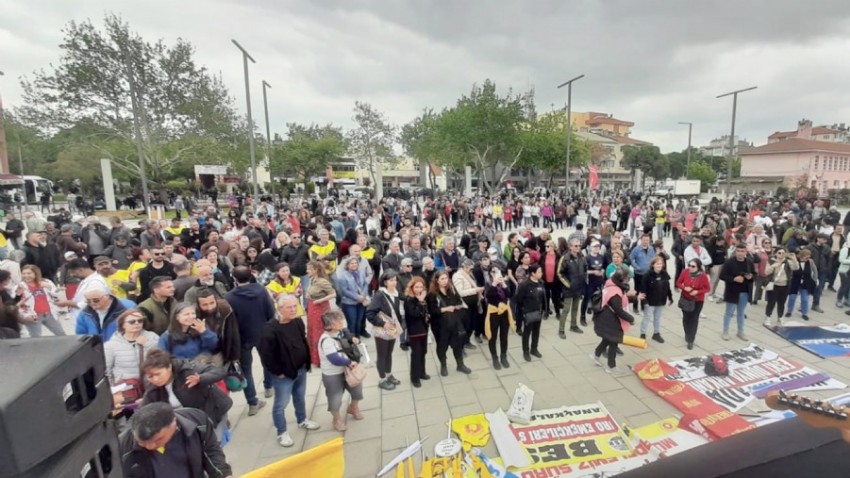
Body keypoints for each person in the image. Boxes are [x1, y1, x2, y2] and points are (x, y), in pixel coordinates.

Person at [258, 294, 321, 447]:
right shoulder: (270, 329)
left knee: (300, 397)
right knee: (281, 404)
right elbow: (266, 355)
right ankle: (282, 432)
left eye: (295, 306)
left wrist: (307, 362)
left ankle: (302, 420)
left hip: (301, 369)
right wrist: (277, 372)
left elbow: (302, 340)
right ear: (279, 309)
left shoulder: (298, 321)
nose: (293, 310)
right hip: (284, 375)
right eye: (289, 307)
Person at [119, 402, 233, 478]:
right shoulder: (122, 447)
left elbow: (211, 451)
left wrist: (224, 474)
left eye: (158, 440)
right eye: (142, 443)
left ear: (173, 423)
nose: (150, 446)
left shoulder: (197, 422)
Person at [140, 349, 233, 439]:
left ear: (169, 367)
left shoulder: (187, 370)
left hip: (212, 412)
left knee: (214, 445)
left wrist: (201, 379)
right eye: (150, 376)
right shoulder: (152, 387)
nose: (155, 379)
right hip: (187, 422)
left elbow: (218, 372)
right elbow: (143, 411)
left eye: (158, 374)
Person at [226, 266, 275, 415]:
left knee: (246, 370)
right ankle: (268, 387)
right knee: (267, 361)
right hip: (262, 331)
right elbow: (270, 311)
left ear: (234, 278)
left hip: (241, 337)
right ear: (251, 275)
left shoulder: (229, 297)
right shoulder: (260, 290)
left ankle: (252, 402)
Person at [318, 309, 364, 432]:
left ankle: (353, 408)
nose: (342, 322)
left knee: (357, 391)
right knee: (335, 398)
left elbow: (347, 334)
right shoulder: (326, 340)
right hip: (333, 374)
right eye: (339, 320)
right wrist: (349, 362)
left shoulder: (340, 331)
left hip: (347, 371)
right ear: (331, 325)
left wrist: (352, 339)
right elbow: (334, 359)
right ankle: (336, 419)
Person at [590, 266, 637, 373]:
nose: (628, 280)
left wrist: (634, 298)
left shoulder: (611, 283)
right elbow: (618, 310)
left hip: (605, 316)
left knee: (607, 338)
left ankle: (596, 354)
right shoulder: (615, 292)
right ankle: (611, 366)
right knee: (614, 341)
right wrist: (631, 319)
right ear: (622, 279)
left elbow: (621, 300)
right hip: (610, 319)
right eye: (627, 278)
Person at [427, 270, 471, 376]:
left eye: (446, 278)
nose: (445, 281)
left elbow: (459, 301)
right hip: (440, 325)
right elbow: (432, 311)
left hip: (454, 322)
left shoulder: (451, 289)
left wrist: (457, 306)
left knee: (457, 345)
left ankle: (460, 365)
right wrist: (446, 308)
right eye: (442, 279)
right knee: (442, 346)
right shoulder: (432, 294)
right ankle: (443, 365)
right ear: (436, 280)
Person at [366, 271, 403, 390]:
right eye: (391, 280)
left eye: (395, 279)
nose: (394, 282)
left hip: (392, 329)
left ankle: (389, 375)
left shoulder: (396, 293)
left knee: (389, 354)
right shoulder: (380, 295)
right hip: (381, 330)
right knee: (382, 355)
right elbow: (370, 313)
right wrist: (382, 323)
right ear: (385, 282)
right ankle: (382, 380)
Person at [104, 309, 159, 385]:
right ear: (123, 324)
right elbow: (106, 371)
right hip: (126, 387)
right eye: (132, 322)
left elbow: (162, 358)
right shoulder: (111, 345)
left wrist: (147, 344)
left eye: (140, 321)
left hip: (151, 384)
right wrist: (112, 390)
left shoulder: (152, 337)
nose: (137, 323)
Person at [719, 244, 757, 341]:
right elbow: (722, 276)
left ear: (746, 252)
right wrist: (734, 279)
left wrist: (751, 276)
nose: (740, 253)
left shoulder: (749, 262)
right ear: (736, 252)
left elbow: (754, 274)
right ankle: (725, 331)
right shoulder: (729, 262)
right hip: (732, 291)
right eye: (738, 251)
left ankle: (740, 332)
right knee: (729, 313)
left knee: (741, 312)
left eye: (742, 251)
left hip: (745, 291)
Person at [16, 264, 65, 337]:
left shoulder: (46, 282)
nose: (26, 276)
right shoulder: (20, 286)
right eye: (24, 273)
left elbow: (56, 296)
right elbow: (15, 303)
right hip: (33, 315)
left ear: (36, 273)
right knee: (36, 338)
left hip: (49, 313)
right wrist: (18, 293)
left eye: (29, 273)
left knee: (61, 334)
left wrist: (49, 287)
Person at [195, 289, 241, 366]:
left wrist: (234, 356)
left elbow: (233, 334)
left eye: (212, 303)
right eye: (205, 305)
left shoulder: (225, 310)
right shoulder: (193, 315)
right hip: (201, 356)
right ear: (198, 305)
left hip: (221, 353)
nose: (209, 307)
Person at [305, 260, 337, 365]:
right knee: (312, 331)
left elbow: (333, 294)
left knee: (319, 332)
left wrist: (320, 300)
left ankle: (321, 359)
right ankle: (314, 358)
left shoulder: (322, 281)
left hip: (320, 309)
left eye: (309, 269)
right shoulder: (312, 279)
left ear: (316, 270)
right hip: (312, 308)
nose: (307, 271)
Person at [676, 259, 711, 349]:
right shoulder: (685, 272)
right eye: (689, 265)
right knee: (686, 318)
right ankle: (687, 334)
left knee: (694, 319)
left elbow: (707, 288)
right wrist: (684, 288)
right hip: (685, 299)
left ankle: (691, 340)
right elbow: (678, 283)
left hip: (697, 301)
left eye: (693, 266)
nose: (690, 268)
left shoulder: (702, 276)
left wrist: (697, 292)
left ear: (698, 267)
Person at [403, 276, 431, 387]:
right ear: (412, 287)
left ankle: (422, 372)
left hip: (424, 329)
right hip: (414, 331)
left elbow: (425, 312)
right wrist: (420, 302)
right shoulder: (409, 300)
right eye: (417, 287)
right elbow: (414, 314)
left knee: (423, 351)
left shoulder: (423, 298)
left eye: (421, 287)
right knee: (416, 354)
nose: (419, 289)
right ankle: (414, 377)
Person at [515, 264, 546, 362]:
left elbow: (543, 297)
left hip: (538, 311)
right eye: (539, 272)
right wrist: (523, 311)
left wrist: (544, 309)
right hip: (528, 313)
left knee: (536, 331)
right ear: (533, 273)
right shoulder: (525, 285)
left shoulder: (541, 282)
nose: (541, 273)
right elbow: (518, 299)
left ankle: (534, 349)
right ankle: (526, 351)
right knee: (527, 332)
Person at [484, 267, 513, 370]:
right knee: (493, 336)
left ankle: (503, 356)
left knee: (504, 336)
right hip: (494, 312)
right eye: (494, 271)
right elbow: (488, 295)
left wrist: (504, 284)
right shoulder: (488, 283)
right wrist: (494, 284)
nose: (496, 273)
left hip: (504, 311)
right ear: (490, 274)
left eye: (498, 271)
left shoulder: (504, 282)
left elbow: (509, 294)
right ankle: (494, 357)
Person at [557, 239, 587, 337]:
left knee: (575, 308)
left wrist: (584, 280)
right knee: (566, 309)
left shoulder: (582, 257)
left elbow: (585, 269)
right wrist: (568, 284)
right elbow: (559, 273)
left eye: (579, 246)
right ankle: (561, 329)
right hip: (569, 288)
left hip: (579, 288)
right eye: (576, 246)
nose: (578, 247)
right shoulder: (565, 258)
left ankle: (573, 325)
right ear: (570, 247)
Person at [640, 256, 673, 343]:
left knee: (657, 318)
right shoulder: (647, 275)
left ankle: (656, 334)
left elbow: (668, 287)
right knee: (647, 317)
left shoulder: (664, 274)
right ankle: (643, 333)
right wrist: (644, 301)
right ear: (653, 265)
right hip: (650, 301)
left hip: (661, 301)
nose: (659, 265)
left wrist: (670, 298)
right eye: (657, 264)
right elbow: (643, 289)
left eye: (661, 264)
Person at [764, 247, 799, 326]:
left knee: (782, 302)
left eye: (783, 253)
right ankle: (768, 317)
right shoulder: (771, 261)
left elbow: (796, 268)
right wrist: (773, 266)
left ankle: (780, 316)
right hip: (774, 285)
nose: (781, 255)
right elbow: (766, 272)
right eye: (779, 253)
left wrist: (794, 259)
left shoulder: (787, 262)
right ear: (775, 253)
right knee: (771, 302)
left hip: (785, 285)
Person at [336, 256, 370, 338]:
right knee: (352, 322)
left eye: (355, 263)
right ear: (347, 265)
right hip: (349, 303)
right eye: (352, 263)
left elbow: (365, 284)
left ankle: (357, 337)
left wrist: (363, 295)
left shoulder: (360, 273)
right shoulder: (342, 276)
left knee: (359, 322)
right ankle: (351, 340)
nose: (354, 265)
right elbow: (344, 290)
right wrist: (357, 297)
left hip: (361, 302)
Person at [786, 248, 818, 321]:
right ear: (801, 256)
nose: (808, 258)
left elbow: (815, 271)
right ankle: (789, 311)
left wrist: (815, 280)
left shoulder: (810, 262)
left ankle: (804, 313)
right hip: (795, 282)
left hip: (806, 283)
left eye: (809, 257)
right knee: (792, 297)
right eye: (806, 256)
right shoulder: (795, 261)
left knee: (805, 299)